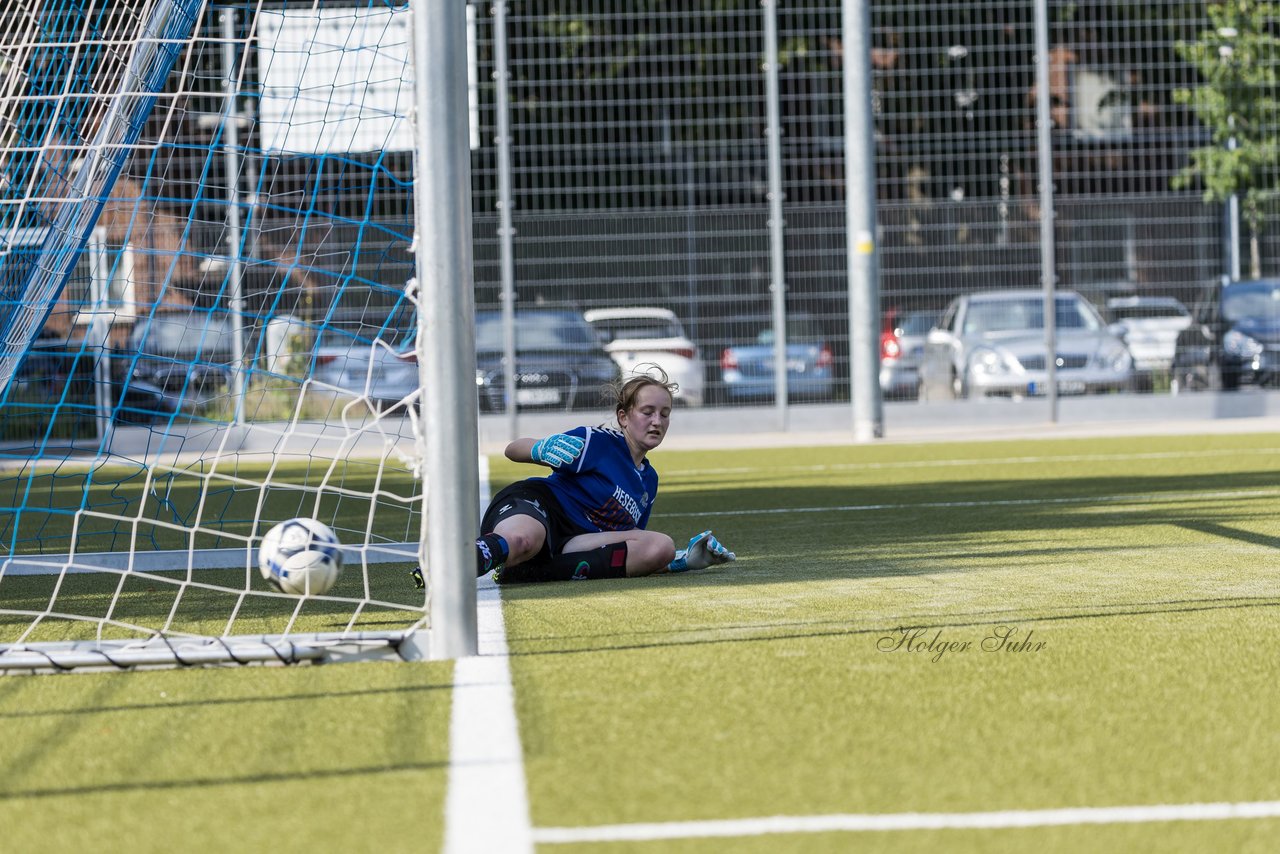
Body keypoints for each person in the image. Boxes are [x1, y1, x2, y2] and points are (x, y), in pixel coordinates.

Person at [474, 367, 735, 583]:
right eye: (647, 412)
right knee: (523, 540)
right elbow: (512, 450)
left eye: (664, 414)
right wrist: (539, 447)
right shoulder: (597, 443)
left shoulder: (649, 481)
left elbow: (626, 549)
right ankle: (443, 570)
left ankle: (526, 573)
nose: (657, 421)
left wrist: (678, 561)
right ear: (623, 417)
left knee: (661, 546)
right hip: (539, 507)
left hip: (574, 542)